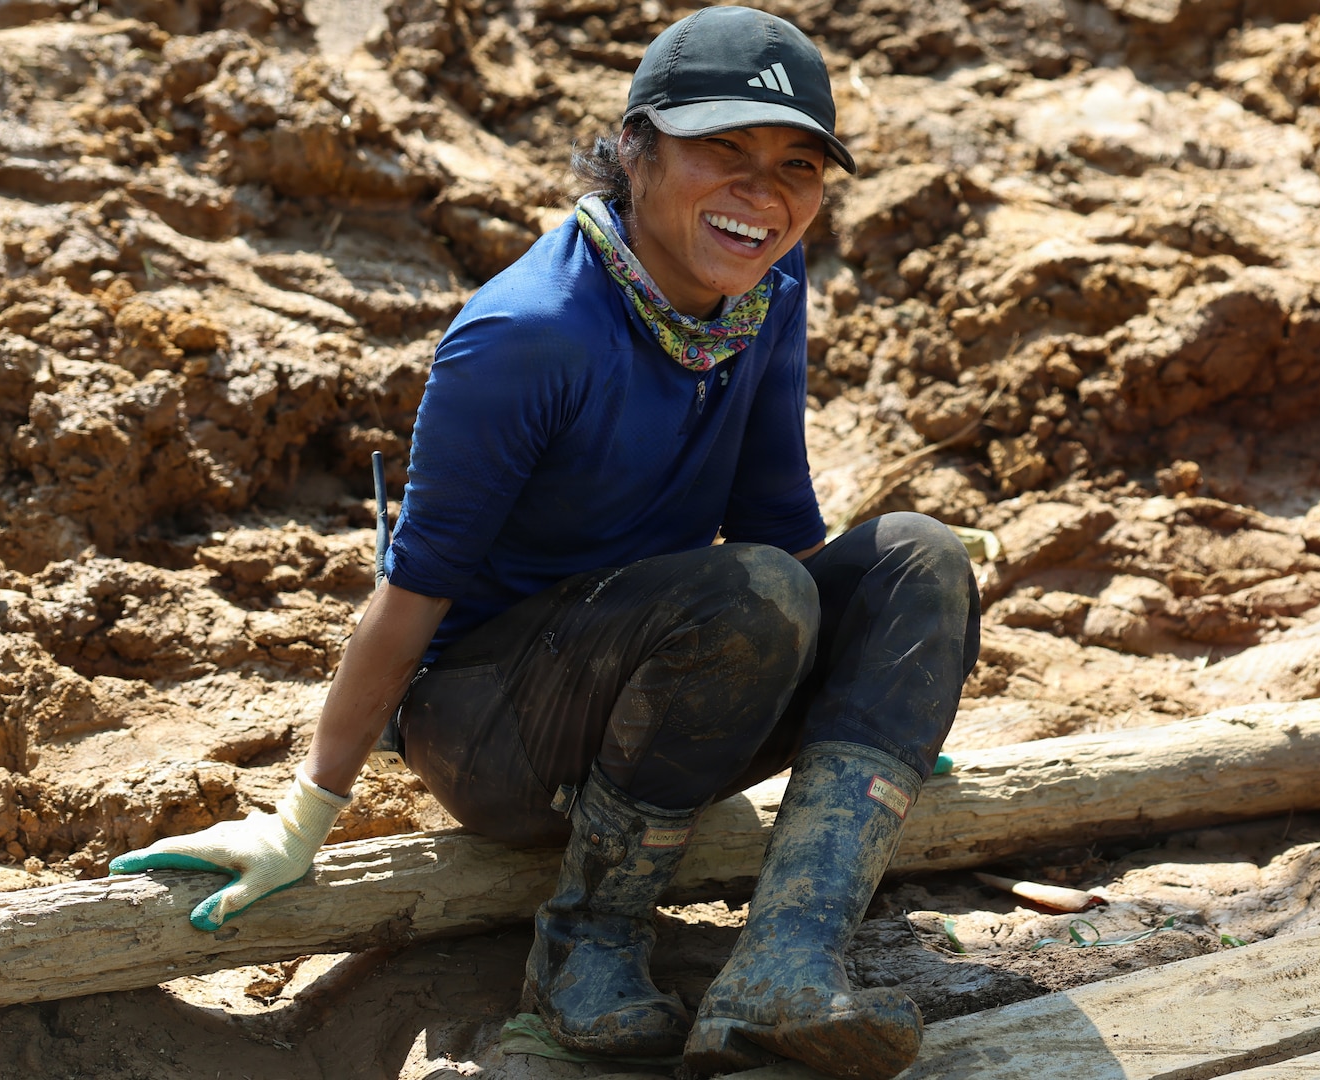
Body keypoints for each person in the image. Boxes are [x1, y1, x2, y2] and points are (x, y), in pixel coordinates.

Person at [110, 7, 980, 1078]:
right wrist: (304, 815)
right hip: (496, 732)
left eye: (796, 164)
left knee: (920, 556)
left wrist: (879, 704)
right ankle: (585, 945)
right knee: (747, 594)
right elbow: (414, 590)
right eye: (725, 150)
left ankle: (785, 967)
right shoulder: (527, 333)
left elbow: (776, 522)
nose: (764, 192)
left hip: (679, 684)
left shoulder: (763, 292)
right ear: (635, 146)